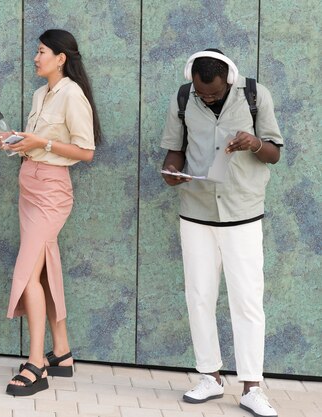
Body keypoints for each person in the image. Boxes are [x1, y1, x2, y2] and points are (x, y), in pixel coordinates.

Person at [160, 49, 282, 417]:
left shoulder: (254, 96)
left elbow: (274, 152)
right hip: (195, 210)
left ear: (227, 80)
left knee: (246, 299)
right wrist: (170, 171)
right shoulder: (184, 97)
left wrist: (254, 143)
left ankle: (252, 387)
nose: (206, 97)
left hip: (242, 212)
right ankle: (209, 376)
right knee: (199, 296)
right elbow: (174, 151)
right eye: (201, 93)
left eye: (212, 93)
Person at [0, 29, 102, 396]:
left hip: (52, 191)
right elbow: (38, 145)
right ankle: (61, 353)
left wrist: (41, 141)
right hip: (29, 183)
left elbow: (86, 151)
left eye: (42, 52)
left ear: (61, 58)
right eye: (36, 51)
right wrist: (18, 141)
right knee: (42, 269)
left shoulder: (73, 94)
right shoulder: (40, 93)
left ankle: (36, 364)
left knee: (27, 271)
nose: (36, 57)